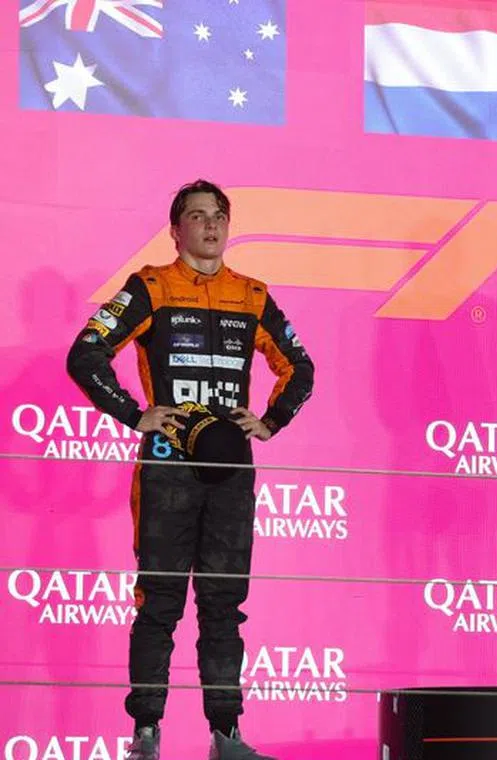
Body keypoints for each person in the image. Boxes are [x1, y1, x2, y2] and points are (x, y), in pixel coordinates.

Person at [66, 180, 315, 760]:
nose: (210, 226)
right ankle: (146, 735)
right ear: (174, 230)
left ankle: (225, 735)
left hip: (231, 474)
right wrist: (134, 413)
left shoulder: (252, 294)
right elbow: (86, 352)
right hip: (166, 471)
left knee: (224, 604)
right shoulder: (150, 286)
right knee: (159, 602)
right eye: (197, 216)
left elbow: (301, 367)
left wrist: (272, 420)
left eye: (220, 216)